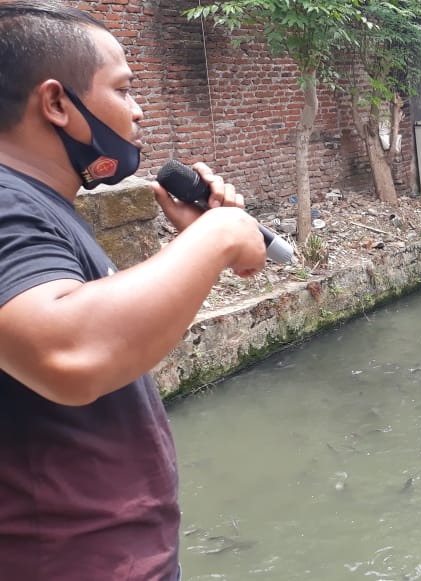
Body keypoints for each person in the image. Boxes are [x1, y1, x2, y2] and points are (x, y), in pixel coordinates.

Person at [0, 2, 268, 579]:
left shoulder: (42, 205)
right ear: (55, 104)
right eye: (124, 90)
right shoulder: (7, 203)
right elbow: (66, 351)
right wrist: (219, 237)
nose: (139, 110)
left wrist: (189, 253)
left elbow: (96, 322)